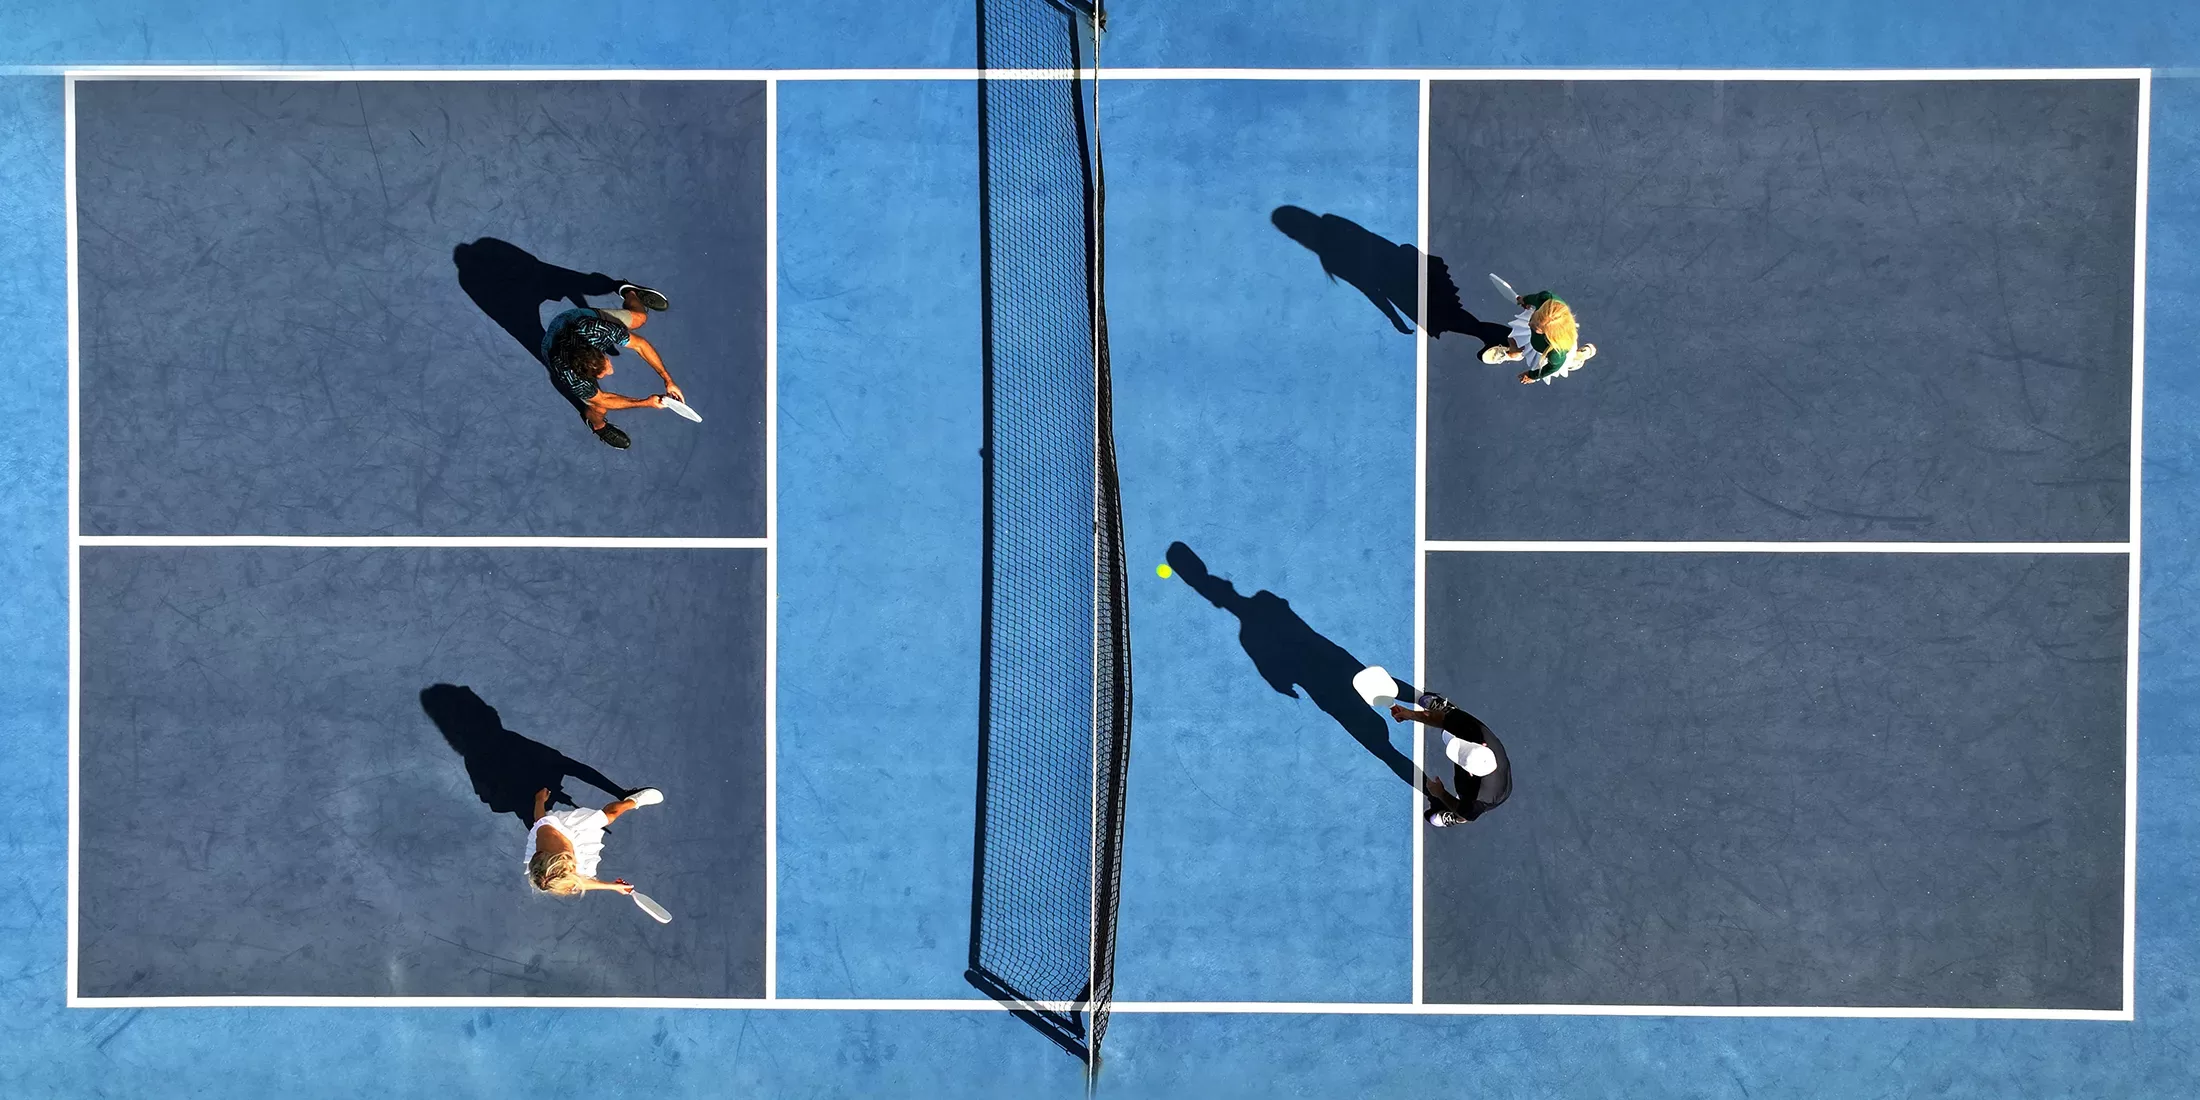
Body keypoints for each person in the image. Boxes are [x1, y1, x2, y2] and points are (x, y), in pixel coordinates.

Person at [542, 283, 684, 449]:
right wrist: (646, 402)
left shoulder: (596, 329)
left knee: (640, 318)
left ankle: (629, 291)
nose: (611, 370)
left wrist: (667, 379)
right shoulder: (569, 374)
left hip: (575, 318)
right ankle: (597, 426)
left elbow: (640, 345)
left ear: (598, 348)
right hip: (551, 345)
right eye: (602, 373)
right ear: (583, 374)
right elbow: (603, 399)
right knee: (598, 408)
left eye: (606, 362)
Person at [1390, 692, 1511, 826]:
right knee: (1448, 728)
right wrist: (1411, 714)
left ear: (1469, 771)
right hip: (1488, 769)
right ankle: (1450, 711)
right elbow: (1442, 720)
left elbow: (1467, 813)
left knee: (1463, 811)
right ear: (1480, 746)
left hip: (1485, 795)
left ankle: (1455, 819)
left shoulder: (1479, 799)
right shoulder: (1480, 733)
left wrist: (1440, 793)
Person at [524, 784, 665, 896]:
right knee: (581, 875)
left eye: (571, 864)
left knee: (609, 815)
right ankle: (635, 800)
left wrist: (539, 800)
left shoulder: (546, 835)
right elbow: (579, 883)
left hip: (566, 828)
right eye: (573, 869)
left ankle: (633, 801)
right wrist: (613, 886)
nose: (575, 866)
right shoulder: (561, 879)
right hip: (564, 849)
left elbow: (540, 819)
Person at [1479, 290, 1597, 384]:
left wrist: (1532, 376)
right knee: (1513, 337)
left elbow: (1552, 368)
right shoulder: (1547, 299)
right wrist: (1525, 300)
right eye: (1533, 319)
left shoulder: (1556, 354)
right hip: (1541, 336)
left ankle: (1577, 357)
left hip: (1545, 349)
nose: (1530, 324)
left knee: (1565, 360)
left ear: (1550, 334)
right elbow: (1536, 299)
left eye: (1536, 327)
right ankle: (1516, 350)